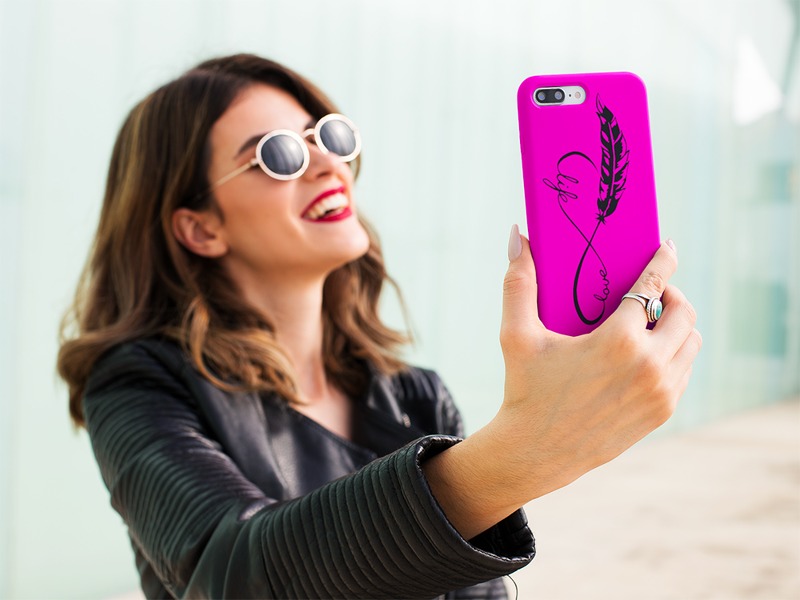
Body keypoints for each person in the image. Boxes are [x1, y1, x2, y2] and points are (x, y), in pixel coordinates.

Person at [57, 53, 701, 599]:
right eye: (278, 155)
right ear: (200, 228)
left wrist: (522, 452)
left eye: (328, 137)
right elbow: (232, 572)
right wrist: (520, 452)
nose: (326, 165)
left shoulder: (415, 396)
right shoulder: (137, 384)